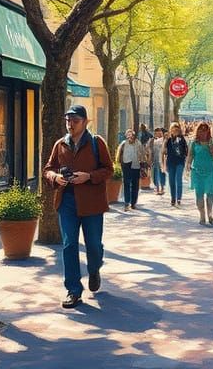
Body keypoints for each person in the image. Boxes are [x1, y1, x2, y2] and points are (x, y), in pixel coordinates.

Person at [43, 104, 113, 309]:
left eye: (75, 120)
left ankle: (94, 269)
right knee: (69, 245)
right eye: (68, 120)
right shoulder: (60, 145)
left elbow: (108, 169)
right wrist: (55, 177)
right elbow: (48, 169)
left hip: (92, 202)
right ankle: (73, 290)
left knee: (93, 245)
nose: (70, 124)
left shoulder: (96, 143)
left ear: (85, 122)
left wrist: (88, 176)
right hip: (67, 202)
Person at [185, 120, 213, 225]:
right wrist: (188, 165)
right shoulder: (194, 142)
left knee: (210, 194)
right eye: (201, 129)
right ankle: (202, 214)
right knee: (199, 195)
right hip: (197, 171)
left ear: (208, 131)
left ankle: (210, 213)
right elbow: (190, 155)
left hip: (210, 171)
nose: (203, 132)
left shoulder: (212, 141)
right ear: (198, 130)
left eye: (205, 130)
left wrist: (211, 146)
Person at [115, 128, 146, 210]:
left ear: (134, 136)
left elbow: (142, 154)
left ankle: (133, 203)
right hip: (126, 165)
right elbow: (119, 154)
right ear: (126, 136)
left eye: (131, 135)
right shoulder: (123, 144)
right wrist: (119, 163)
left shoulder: (138, 143)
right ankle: (126, 203)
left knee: (135, 184)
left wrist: (143, 164)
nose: (130, 137)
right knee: (127, 183)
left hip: (136, 165)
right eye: (128, 135)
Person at [162, 121, 188, 206]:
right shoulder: (168, 140)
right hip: (170, 162)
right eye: (173, 129)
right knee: (171, 181)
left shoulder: (182, 139)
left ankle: (179, 198)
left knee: (178, 180)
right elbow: (164, 152)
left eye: (177, 129)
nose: (175, 131)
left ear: (179, 130)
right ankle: (173, 198)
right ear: (171, 130)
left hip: (180, 162)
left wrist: (186, 161)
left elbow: (186, 151)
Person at [151, 127, 166, 195]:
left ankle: (162, 189)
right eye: (156, 133)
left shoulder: (164, 140)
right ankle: (157, 189)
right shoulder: (152, 140)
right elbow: (150, 150)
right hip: (155, 160)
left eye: (160, 132)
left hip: (162, 160)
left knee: (162, 174)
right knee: (155, 175)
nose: (158, 134)